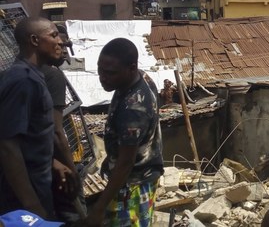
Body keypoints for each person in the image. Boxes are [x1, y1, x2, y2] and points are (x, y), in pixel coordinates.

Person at [83, 38, 163, 227]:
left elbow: (125, 163)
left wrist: (99, 208)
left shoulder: (133, 110)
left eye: (110, 73)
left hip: (133, 185)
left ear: (132, 68)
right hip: (140, 175)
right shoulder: (140, 78)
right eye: (100, 70)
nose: (103, 77)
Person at [0, 17, 63, 219]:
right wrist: (31, 204)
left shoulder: (33, 76)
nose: (60, 41)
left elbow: (32, 135)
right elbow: (7, 145)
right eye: (53, 35)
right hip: (24, 195)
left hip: (38, 183)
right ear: (35, 40)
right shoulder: (23, 81)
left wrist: (54, 162)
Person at [39, 25, 83, 223]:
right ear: (34, 41)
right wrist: (71, 171)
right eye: (55, 37)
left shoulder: (11, 75)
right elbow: (57, 132)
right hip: (55, 171)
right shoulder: (53, 76)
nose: (63, 45)